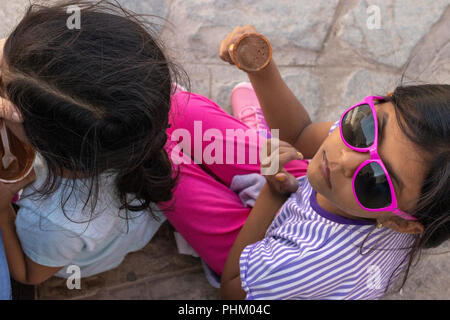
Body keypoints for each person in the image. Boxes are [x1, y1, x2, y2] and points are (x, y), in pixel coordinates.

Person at [215, 26, 450, 299]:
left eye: (375, 181)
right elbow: (301, 135)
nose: (344, 160)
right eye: (364, 128)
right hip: (298, 189)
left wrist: (273, 194)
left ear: (402, 225)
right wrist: (260, 69)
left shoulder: (305, 264)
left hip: (267, 247)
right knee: (188, 116)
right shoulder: (406, 178)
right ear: (385, 98)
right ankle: (256, 136)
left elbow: (231, 290)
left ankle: (254, 134)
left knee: (175, 172)